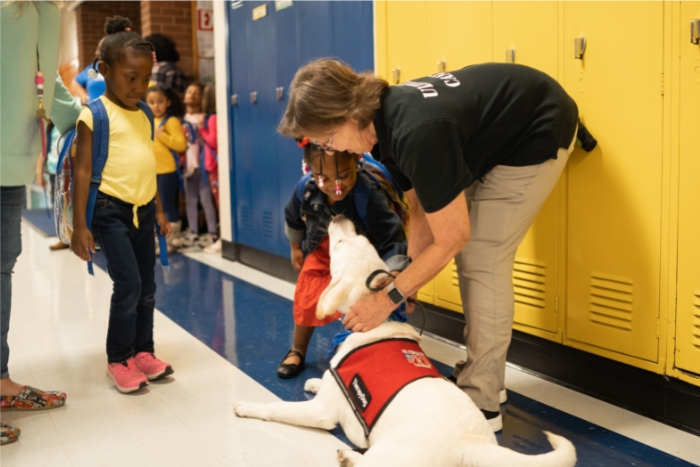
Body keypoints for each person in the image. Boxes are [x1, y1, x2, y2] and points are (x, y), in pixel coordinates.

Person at [279, 59, 579, 432]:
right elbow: (420, 208)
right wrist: (404, 279)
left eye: (326, 139)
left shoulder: (416, 132)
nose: (328, 148)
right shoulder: (382, 129)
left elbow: (453, 236)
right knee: (465, 250)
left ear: (347, 116)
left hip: (537, 127)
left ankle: (483, 399)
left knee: (482, 258)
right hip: (496, 135)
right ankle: (487, 375)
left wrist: (385, 301)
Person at [70, 16, 173, 394]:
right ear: (104, 70)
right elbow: (82, 173)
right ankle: (119, 358)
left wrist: (160, 209)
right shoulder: (93, 115)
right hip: (109, 213)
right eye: (130, 78)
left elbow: (148, 164)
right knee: (127, 283)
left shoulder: (145, 112)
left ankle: (143, 351)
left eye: (145, 79)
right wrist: (81, 225)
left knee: (147, 285)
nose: (139, 87)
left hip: (144, 210)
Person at [1, 0, 81, 445]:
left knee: (2, 266)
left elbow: (38, 74)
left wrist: (80, 117)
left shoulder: (34, 10)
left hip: (10, 158)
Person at [278, 143, 408, 379]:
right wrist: (295, 247)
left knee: (364, 302)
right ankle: (297, 349)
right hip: (321, 248)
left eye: (344, 175)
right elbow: (293, 218)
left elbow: (392, 237)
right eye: (323, 177)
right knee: (307, 296)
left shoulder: (367, 193)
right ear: (309, 170)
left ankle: (364, 350)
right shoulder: (304, 190)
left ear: (356, 163)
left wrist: (392, 274)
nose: (335, 186)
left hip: (359, 257)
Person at [174, 83, 218, 250]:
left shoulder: (205, 118)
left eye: (197, 93)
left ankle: (212, 233)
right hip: (187, 166)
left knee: (206, 199)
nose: (192, 95)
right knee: (190, 200)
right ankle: (193, 232)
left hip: (203, 165)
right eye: (189, 91)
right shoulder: (180, 120)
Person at [145, 84, 187, 251]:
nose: (156, 106)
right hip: (151, 171)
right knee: (155, 208)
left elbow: (181, 145)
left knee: (167, 206)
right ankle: (162, 238)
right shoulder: (147, 121)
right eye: (152, 102)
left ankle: (172, 240)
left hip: (167, 171)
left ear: (168, 102)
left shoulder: (171, 121)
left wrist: (162, 136)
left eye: (160, 101)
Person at [35, 122, 69, 250]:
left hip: (68, 171)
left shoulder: (71, 123)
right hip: (54, 171)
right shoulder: (51, 127)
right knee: (58, 206)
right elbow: (44, 151)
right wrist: (39, 173)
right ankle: (63, 237)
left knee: (70, 205)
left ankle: (72, 236)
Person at [197, 83, 221, 254]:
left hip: (215, 168)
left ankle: (221, 238)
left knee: (220, 203)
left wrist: (201, 129)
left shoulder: (212, 118)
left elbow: (212, 141)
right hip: (216, 167)